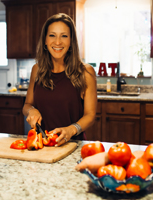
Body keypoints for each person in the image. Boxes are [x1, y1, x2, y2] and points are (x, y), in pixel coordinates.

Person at [22, 13, 97, 146]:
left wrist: (71, 129)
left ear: (71, 41)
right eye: (52, 35)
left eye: (64, 36)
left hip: (74, 146)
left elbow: (90, 115)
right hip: (43, 145)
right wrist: (31, 110)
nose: (57, 42)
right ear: (45, 40)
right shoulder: (36, 70)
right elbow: (27, 105)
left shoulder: (86, 72)